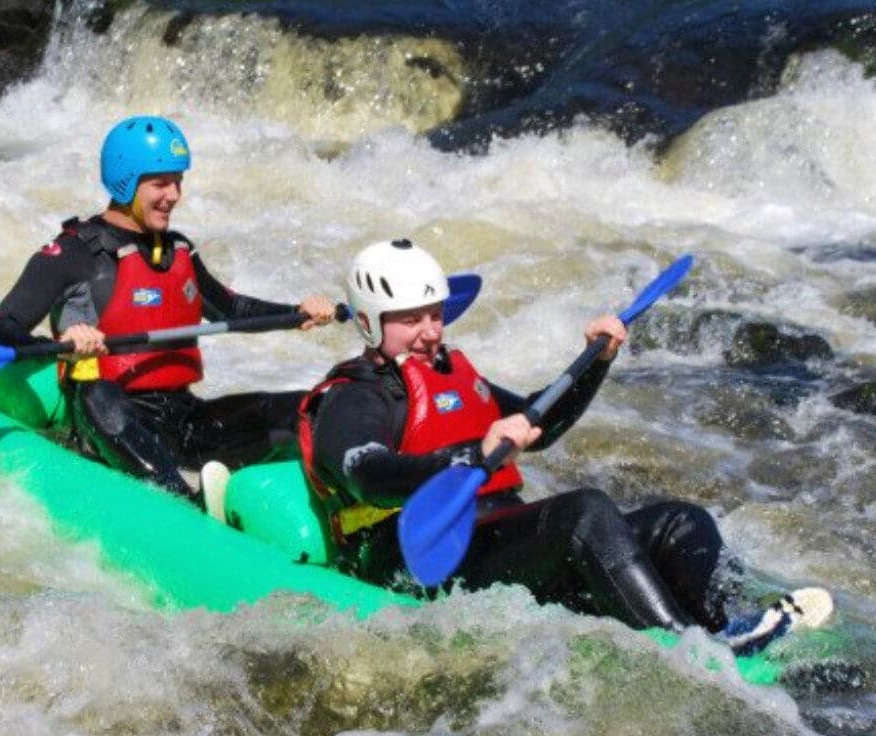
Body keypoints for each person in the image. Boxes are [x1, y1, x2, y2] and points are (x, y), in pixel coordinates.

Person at [298, 239, 832, 654]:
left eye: (434, 314)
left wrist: (596, 363)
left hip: (500, 538)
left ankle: (732, 624)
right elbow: (366, 473)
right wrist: (472, 455)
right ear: (368, 321)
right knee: (584, 512)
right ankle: (689, 649)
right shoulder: (354, 395)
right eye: (410, 319)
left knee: (679, 521)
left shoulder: (451, 375)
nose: (429, 331)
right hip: (421, 562)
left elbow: (541, 423)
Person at [0, 115, 336, 500]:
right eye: (161, 183)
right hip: (107, 417)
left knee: (308, 408)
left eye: (179, 181)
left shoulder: (178, 249)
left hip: (182, 417)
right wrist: (69, 339)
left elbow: (231, 309)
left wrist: (298, 312)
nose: (174, 195)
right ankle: (182, 501)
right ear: (125, 181)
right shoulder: (74, 253)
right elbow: (1, 327)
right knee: (98, 393)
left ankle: (343, 504)